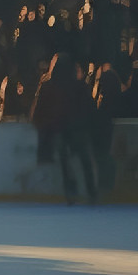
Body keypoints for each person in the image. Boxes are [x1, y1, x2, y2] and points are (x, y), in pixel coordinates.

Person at [31, 52, 97, 205]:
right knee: (84, 160)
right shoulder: (79, 86)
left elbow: (38, 113)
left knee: (65, 162)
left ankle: (71, 192)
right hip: (76, 128)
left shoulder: (49, 86)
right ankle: (91, 192)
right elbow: (90, 109)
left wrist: (45, 127)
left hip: (58, 129)